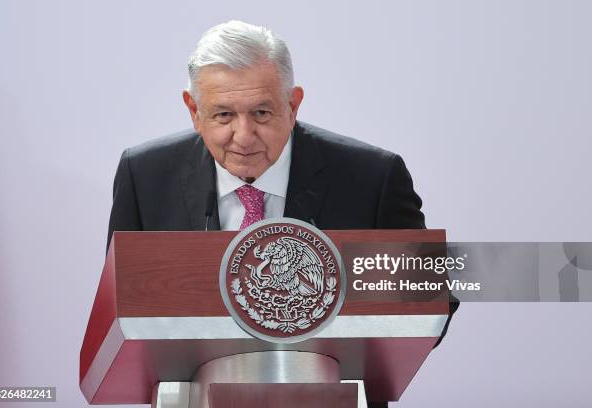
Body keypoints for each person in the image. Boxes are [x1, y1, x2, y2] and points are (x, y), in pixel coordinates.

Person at [106, 21, 457, 405]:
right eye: (223, 115)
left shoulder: (372, 178)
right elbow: (121, 311)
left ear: (293, 105)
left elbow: (431, 299)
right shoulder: (144, 176)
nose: (243, 136)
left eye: (260, 113)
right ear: (194, 110)